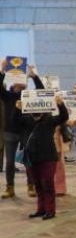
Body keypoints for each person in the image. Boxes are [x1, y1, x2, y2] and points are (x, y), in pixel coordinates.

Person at [14, 95, 69, 219]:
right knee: (38, 184)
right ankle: (41, 209)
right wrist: (17, 109)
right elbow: (15, 122)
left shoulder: (49, 120)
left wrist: (60, 104)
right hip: (32, 158)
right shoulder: (27, 120)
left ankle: (50, 210)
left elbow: (64, 117)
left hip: (48, 157)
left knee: (47, 183)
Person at [1, 59, 44, 199]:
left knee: (28, 160)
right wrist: (2, 70)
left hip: (26, 131)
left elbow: (42, 93)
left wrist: (34, 76)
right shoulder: (7, 96)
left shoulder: (28, 96)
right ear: (13, 81)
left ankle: (31, 186)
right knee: (10, 162)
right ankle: (10, 188)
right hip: (10, 132)